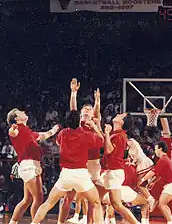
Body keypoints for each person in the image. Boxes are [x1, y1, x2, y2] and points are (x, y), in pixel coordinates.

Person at [30, 110, 104, 224]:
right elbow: (101, 141)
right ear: (79, 120)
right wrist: (94, 126)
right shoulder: (86, 135)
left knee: (48, 203)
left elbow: (59, 143)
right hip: (81, 174)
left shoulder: (63, 133)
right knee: (96, 203)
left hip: (66, 174)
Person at [58, 79, 102, 224]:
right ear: (81, 113)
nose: (86, 111)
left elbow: (96, 112)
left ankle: (89, 222)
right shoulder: (78, 124)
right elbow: (72, 109)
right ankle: (62, 221)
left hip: (93, 163)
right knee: (68, 196)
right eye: (84, 109)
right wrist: (73, 93)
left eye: (89, 110)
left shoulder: (95, 122)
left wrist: (97, 102)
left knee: (91, 199)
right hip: (78, 165)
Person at [7, 108, 59, 224]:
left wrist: (53, 130)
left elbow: (43, 135)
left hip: (33, 165)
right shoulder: (17, 129)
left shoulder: (28, 131)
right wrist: (12, 129)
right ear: (16, 118)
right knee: (38, 198)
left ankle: (13, 222)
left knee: (27, 199)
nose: (24, 112)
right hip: (28, 165)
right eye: (21, 112)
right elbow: (12, 132)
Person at [95, 112, 141, 224]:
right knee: (95, 200)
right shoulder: (115, 133)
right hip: (109, 172)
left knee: (117, 205)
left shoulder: (120, 136)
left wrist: (105, 133)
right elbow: (104, 140)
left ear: (122, 122)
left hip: (114, 173)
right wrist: (96, 126)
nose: (118, 114)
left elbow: (108, 150)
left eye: (121, 115)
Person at [139, 141, 172, 224]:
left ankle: (171, 222)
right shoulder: (164, 159)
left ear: (160, 149)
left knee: (162, 204)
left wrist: (142, 179)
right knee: (162, 204)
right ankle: (171, 221)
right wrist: (153, 182)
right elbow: (160, 175)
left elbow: (153, 172)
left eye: (155, 149)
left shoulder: (163, 160)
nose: (155, 151)